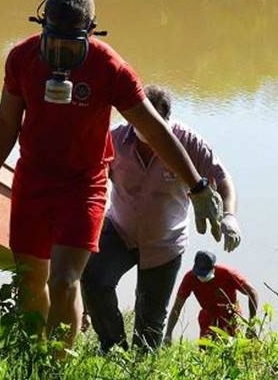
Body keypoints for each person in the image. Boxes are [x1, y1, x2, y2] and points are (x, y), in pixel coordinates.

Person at [0, 0, 227, 349]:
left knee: (64, 281)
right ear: (42, 28)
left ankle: (57, 366)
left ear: (90, 33)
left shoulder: (110, 69)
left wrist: (198, 187)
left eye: (70, 44)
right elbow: (6, 122)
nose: (59, 53)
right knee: (29, 277)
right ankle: (35, 355)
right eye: (51, 41)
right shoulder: (22, 58)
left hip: (82, 186)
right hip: (33, 179)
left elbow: (153, 128)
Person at [81, 85, 242, 352]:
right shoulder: (116, 139)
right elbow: (90, 176)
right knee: (94, 280)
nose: (149, 133)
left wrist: (229, 216)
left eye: (155, 125)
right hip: (120, 229)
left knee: (150, 321)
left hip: (165, 242)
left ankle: (140, 372)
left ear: (166, 121)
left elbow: (224, 179)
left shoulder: (188, 142)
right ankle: (113, 347)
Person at [165, 250, 259, 342]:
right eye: (199, 273)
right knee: (205, 350)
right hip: (208, 317)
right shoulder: (190, 278)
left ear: (213, 268)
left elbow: (252, 292)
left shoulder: (227, 274)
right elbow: (177, 307)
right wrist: (168, 334)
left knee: (232, 347)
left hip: (230, 316)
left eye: (205, 274)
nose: (202, 277)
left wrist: (251, 323)